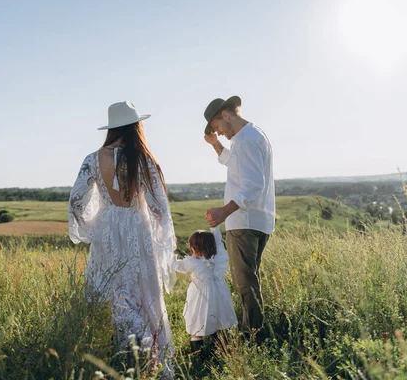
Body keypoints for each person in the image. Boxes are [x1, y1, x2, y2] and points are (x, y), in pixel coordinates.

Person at [68, 101, 176, 369]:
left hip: (107, 226)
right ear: (135, 126)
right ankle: (146, 350)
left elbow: (76, 201)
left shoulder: (93, 159)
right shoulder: (144, 158)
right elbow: (159, 207)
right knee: (141, 290)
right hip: (137, 228)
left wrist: (94, 226)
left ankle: (125, 352)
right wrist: (157, 231)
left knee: (114, 290)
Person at [202, 95, 275, 341]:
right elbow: (235, 165)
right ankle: (252, 333)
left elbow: (253, 185)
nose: (219, 133)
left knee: (246, 285)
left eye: (217, 127)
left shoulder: (247, 141)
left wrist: (224, 211)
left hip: (244, 222)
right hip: (255, 220)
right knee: (249, 282)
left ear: (225, 115)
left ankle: (253, 338)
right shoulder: (250, 137)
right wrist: (215, 146)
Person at [173, 227, 238, 355]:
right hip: (219, 294)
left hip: (200, 297)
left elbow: (176, 265)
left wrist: (170, 251)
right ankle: (222, 349)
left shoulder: (193, 262)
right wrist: (215, 227)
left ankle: (198, 355)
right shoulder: (219, 259)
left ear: (193, 248)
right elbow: (219, 243)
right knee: (220, 320)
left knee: (198, 323)